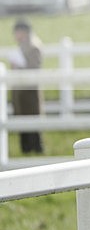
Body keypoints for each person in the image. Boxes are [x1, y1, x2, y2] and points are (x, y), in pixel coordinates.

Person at [9, 19, 44, 154]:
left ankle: (35, 149)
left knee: (32, 121)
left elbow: (34, 67)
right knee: (23, 122)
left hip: (29, 91)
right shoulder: (23, 45)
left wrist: (19, 66)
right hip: (21, 90)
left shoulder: (33, 46)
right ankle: (26, 149)